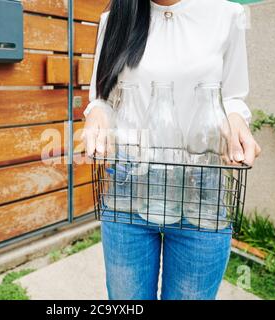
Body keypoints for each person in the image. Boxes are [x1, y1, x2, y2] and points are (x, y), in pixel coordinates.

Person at [82, 0, 261, 300]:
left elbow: (232, 96)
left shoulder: (227, 14)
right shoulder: (115, 18)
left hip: (202, 185)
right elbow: (103, 97)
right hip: (128, 182)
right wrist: (96, 113)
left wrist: (236, 120)